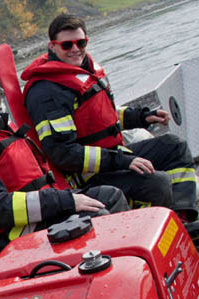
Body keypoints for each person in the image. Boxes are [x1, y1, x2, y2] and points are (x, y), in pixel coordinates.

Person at [0, 80, 129, 262]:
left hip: (35, 217)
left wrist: (63, 200)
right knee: (94, 217)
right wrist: (65, 201)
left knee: (110, 196)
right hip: (5, 237)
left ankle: (131, 263)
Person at [22, 13, 198, 222]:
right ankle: (155, 230)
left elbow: (100, 120)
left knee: (174, 146)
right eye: (67, 45)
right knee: (156, 182)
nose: (76, 49)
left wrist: (141, 118)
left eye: (81, 42)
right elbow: (63, 154)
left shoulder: (84, 70)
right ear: (52, 47)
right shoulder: (47, 93)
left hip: (114, 155)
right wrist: (123, 161)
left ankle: (184, 218)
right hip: (89, 175)